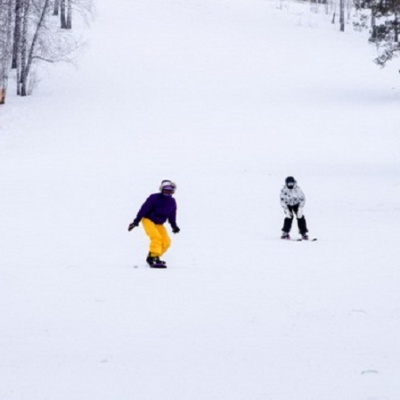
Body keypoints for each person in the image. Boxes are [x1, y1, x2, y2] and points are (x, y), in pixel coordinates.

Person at [128, 180, 180, 267]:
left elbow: (172, 215)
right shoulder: (154, 197)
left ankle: (154, 256)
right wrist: (136, 221)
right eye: (165, 189)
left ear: (173, 191)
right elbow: (143, 209)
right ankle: (153, 257)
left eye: (170, 190)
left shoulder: (172, 202)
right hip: (148, 220)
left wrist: (174, 226)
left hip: (159, 223)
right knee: (156, 237)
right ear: (161, 189)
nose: (167, 192)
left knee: (167, 242)